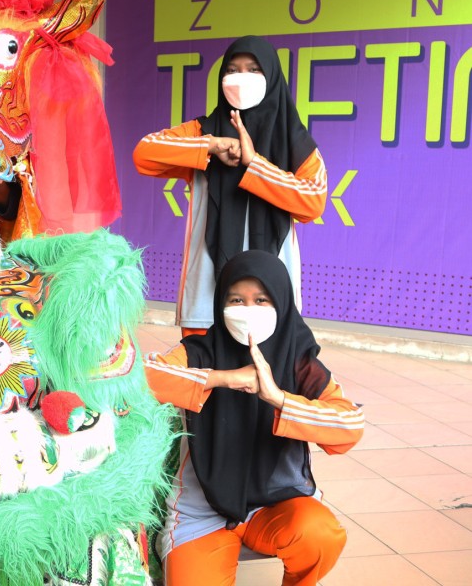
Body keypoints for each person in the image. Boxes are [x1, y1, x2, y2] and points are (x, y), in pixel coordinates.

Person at [144, 250, 364, 586]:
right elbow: (144, 376)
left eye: (261, 300)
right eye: (236, 299)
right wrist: (224, 378)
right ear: (220, 303)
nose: (248, 310)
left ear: (281, 303)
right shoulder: (199, 351)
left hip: (276, 505)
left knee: (320, 536)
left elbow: (349, 426)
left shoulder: (299, 363)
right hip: (202, 511)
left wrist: (279, 399)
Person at [133, 35, 327, 336]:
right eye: (232, 70)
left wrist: (255, 164)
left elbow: (312, 203)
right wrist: (211, 145)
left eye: (253, 70)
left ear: (272, 77)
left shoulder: (296, 145)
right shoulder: (203, 131)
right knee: (203, 376)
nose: (241, 79)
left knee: (267, 378)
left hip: (271, 296)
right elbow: (144, 153)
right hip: (206, 294)